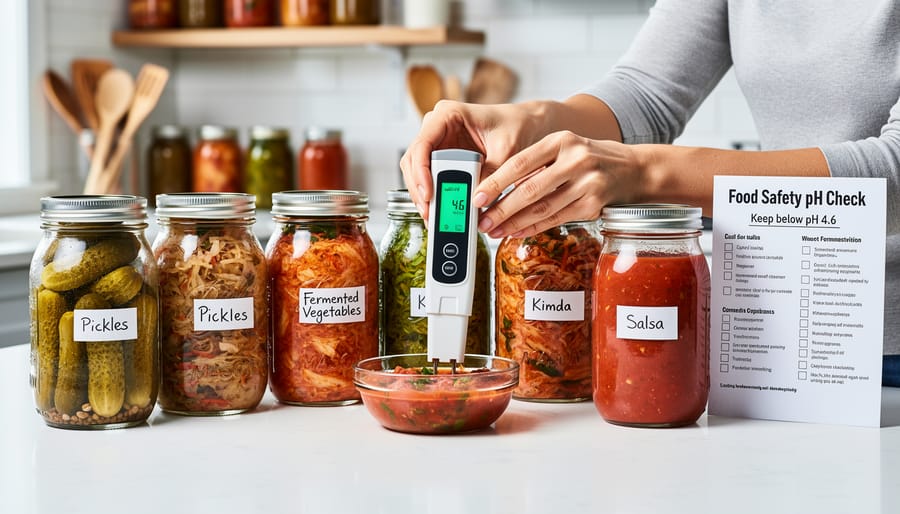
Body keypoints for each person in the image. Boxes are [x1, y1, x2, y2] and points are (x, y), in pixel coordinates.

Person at [400, 0, 900, 384]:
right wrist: (531, 119)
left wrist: (648, 174)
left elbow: (893, 173)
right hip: (785, 334)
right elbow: (647, 93)